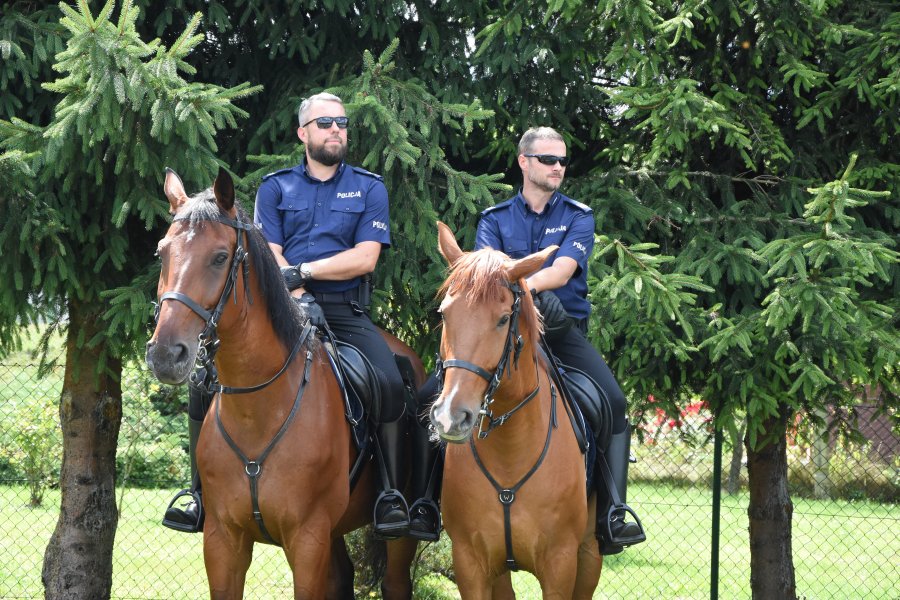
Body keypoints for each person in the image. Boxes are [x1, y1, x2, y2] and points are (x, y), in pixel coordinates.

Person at [163, 92, 438, 541]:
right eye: (325, 123)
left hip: (346, 311)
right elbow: (267, 249)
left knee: (389, 381)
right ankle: (197, 495)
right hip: (284, 306)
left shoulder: (369, 188)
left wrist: (303, 272)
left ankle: (390, 494)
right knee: (201, 382)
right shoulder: (275, 188)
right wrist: (292, 287)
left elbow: (365, 257)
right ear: (303, 133)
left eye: (342, 123)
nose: (336, 130)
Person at [474, 126, 646, 555]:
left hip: (560, 333)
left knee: (614, 401)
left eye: (562, 161)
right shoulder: (493, 220)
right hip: (504, 334)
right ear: (524, 162)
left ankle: (612, 512)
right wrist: (519, 294)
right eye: (548, 160)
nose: (558, 168)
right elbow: (486, 277)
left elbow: (563, 269)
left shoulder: (577, 215)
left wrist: (524, 288)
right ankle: (427, 502)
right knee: (434, 392)